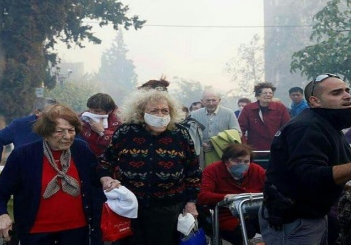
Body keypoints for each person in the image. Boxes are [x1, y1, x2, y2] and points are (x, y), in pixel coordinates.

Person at [258, 73, 351, 245]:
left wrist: (350, 186)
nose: (346, 95)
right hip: (294, 220)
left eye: (347, 90)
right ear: (315, 101)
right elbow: (310, 176)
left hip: (314, 216)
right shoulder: (305, 127)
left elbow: (326, 172)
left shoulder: (327, 125)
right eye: (336, 93)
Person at [97, 89, 201, 245]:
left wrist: (191, 202)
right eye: (154, 111)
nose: (160, 115)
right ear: (141, 114)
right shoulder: (126, 132)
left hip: (168, 208)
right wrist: (106, 178)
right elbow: (106, 161)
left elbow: (192, 171)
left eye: (164, 111)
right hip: (130, 206)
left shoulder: (181, 134)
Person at [0, 104, 98, 244]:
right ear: (46, 132)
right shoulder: (24, 155)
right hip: (37, 234)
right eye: (60, 131)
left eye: (71, 130)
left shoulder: (81, 150)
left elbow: (96, 184)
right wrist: (1, 215)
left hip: (77, 232)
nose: (67, 136)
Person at [197, 143, 266, 245]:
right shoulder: (213, 170)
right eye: (237, 161)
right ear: (226, 161)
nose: (242, 164)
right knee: (244, 232)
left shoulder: (256, 170)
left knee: (274, 225)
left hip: (255, 212)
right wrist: (225, 197)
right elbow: (202, 196)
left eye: (246, 161)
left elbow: (271, 187)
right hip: (226, 215)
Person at [79, 93, 122, 245]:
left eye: (97, 111)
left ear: (109, 111)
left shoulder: (120, 124)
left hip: (113, 175)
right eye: (91, 110)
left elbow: (119, 146)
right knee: (93, 213)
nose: (93, 114)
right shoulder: (83, 120)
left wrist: (101, 132)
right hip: (88, 172)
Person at [0, 97, 58, 167]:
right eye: (50, 114)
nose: (54, 118)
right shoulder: (21, 125)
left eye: (57, 114)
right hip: (23, 171)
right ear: (37, 112)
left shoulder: (63, 127)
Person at [238, 82, 289, 168]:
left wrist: (283, 146)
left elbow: (287, 128)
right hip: (254, 150)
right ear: (258, 95)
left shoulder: (280, 108)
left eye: (270, 93)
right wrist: (244, 146)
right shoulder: (248, 109)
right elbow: (240, 129)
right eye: (265, 93)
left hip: (275, 149)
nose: (268, 95)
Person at [191, 87, 241, 166]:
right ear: (202, 102)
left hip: (222, 153)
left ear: (219, 100)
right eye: (208, 100)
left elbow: (237, 132)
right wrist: (201, 143)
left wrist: (217, 141)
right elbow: (189, 133)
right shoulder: (194, 114)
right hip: (200, 154)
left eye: (214, 100)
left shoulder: (229, 113)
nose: (211, 103)